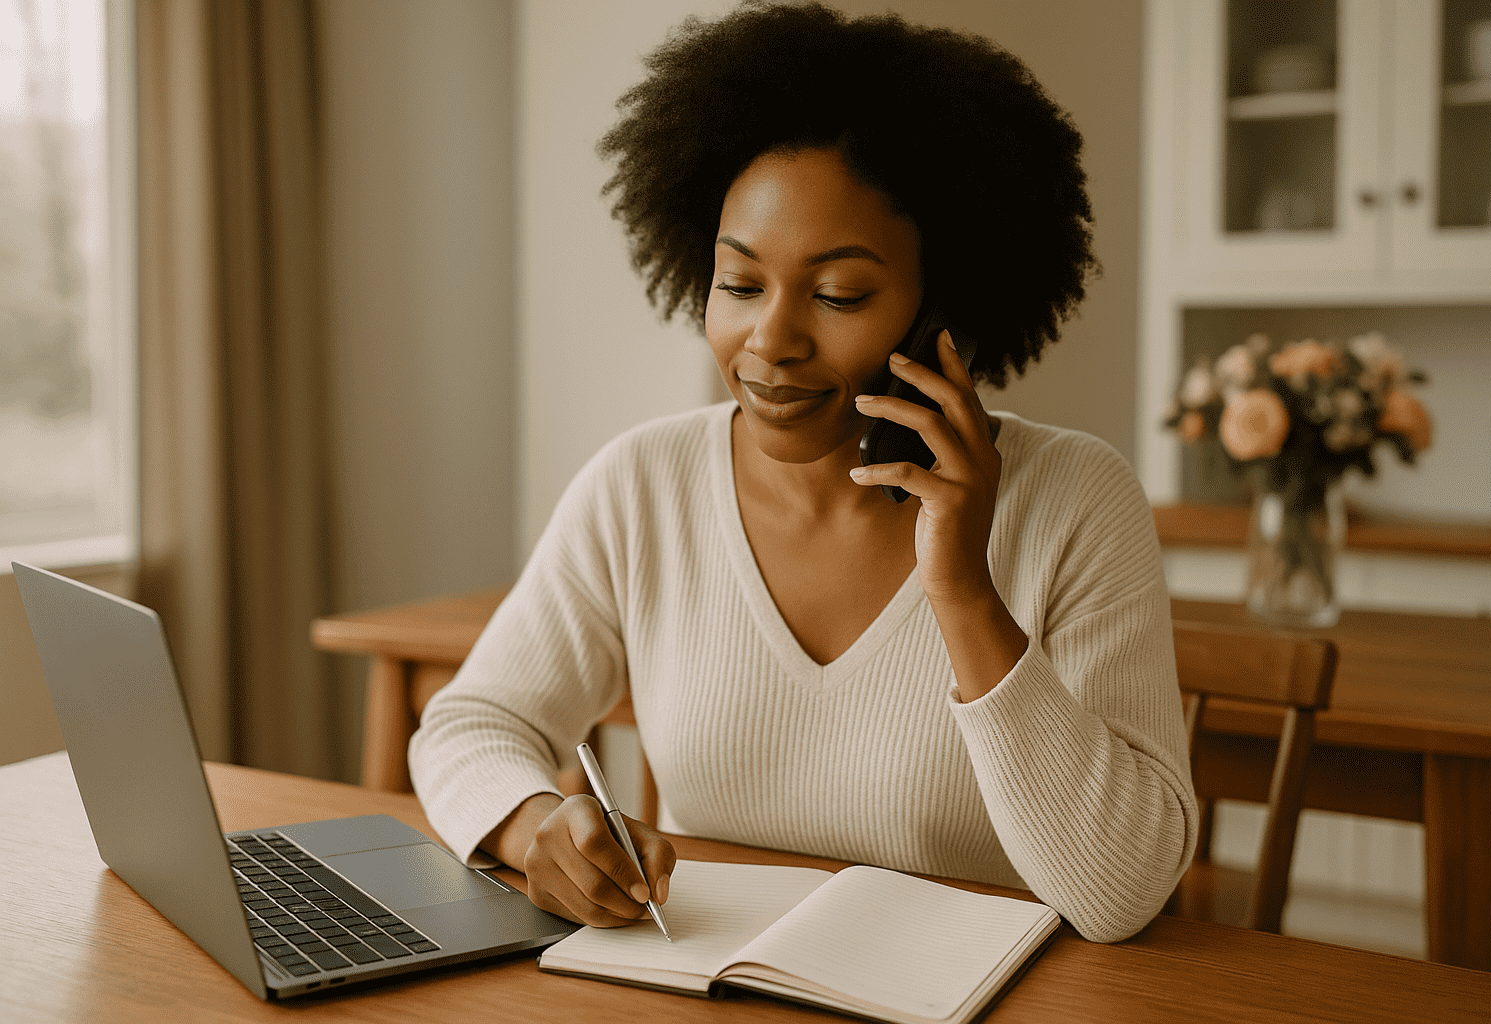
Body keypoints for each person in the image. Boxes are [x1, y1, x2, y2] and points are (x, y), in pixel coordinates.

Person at [409, 0, 1196, 945]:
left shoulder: (1075, 499)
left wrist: (963, 592)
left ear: (942, 305)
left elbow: (1121, 895)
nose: (769, 341)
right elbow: (469, 724)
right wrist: (537, 826)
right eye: (739, 284)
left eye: (839, 295)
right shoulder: (644, 485)